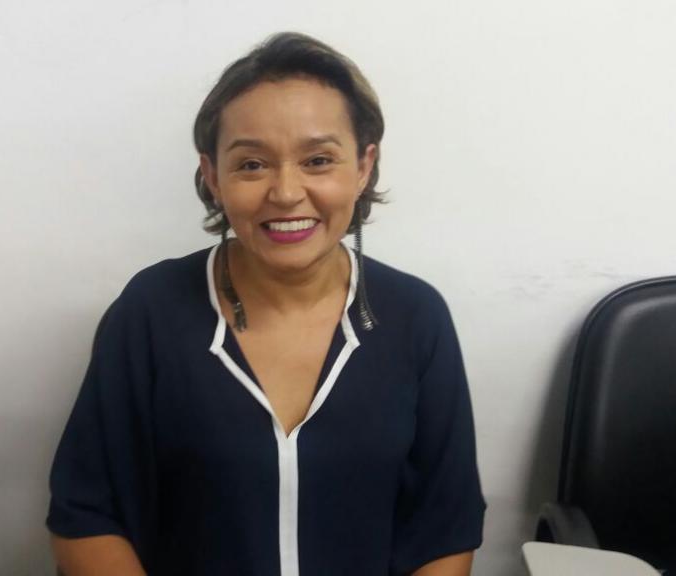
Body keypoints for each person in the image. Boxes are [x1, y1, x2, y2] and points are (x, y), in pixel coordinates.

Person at [46, 32, 486, 576]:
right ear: (213, 176)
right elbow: (86, 514)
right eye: (252, 165)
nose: (285, 192)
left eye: (318, 160)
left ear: (363, 166)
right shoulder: (151, 312)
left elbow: (446, 529)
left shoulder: (416, 317)